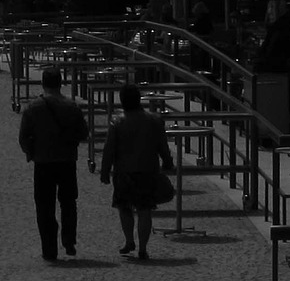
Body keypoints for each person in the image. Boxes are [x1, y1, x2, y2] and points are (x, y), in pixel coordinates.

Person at [18, 65, 88, 262]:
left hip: (43, 162)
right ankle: (69, 240)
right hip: (66, 160)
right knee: (68, 202)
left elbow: (23, 137)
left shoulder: (33, 108)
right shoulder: (71, 106)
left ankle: (49, 249)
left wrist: (31, 153)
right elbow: (84, 133)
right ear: (60, 83)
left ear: (43, 83)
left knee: (44, 205)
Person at [98, 84, 174, 259]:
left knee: (124, 208)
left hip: (123, 172)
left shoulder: (117, 122)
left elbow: (109, 149)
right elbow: (162, 145)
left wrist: (105, 171)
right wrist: (167, 162)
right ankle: (143, 248)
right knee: (144, 209)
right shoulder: (154, 120)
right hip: (147, 170)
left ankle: (128, 240)